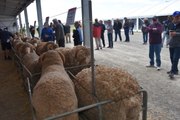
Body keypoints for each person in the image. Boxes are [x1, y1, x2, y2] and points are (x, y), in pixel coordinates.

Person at [167, 11, 180, 78]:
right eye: (176, 17)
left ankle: (172, 71)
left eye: (178, 16)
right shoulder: (170, 24)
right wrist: (167, 42)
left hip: (178, 44)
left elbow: (176, 33)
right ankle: (176, 70)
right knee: (172, 57)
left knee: (175, 58)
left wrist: (176, 34)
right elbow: (168, 33)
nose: (177, 18)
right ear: (173, 17)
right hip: (171, 44)